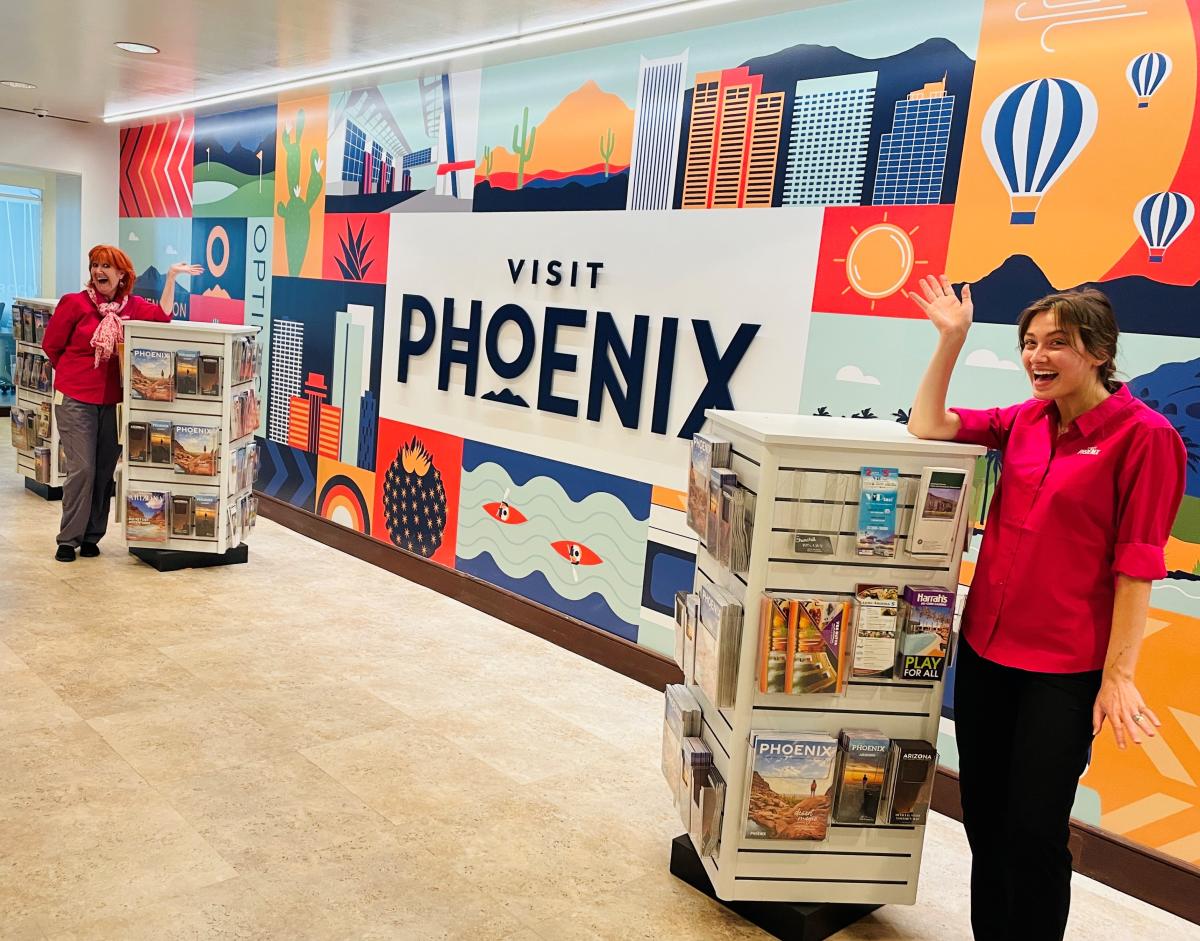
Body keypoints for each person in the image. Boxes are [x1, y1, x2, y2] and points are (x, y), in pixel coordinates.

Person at [906, 276, 1186, 941]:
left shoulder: (1146, 439)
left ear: (1099, 350)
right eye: (1030, 343)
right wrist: (951, 339)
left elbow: (1136, 567)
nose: (1038, 356)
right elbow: (927, 424)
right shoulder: (1025, 419)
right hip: (985, 652)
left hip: (1062, 670)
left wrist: (1118, 674)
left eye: (1057, 343)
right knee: (985, 818)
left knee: (1035, 830)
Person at [41, 245, 201, 562]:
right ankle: (68, 538)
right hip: (75, 399)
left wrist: (170, 278)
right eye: (95, 265)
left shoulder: (132, 308)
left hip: (114, 403)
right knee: (82, 470)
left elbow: (163, 317)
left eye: (106, 266)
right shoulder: (74, 303)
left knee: (103, 472)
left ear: (122, 275)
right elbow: (52, 346)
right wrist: (76, 375)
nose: (99, 271)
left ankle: (91, 536)